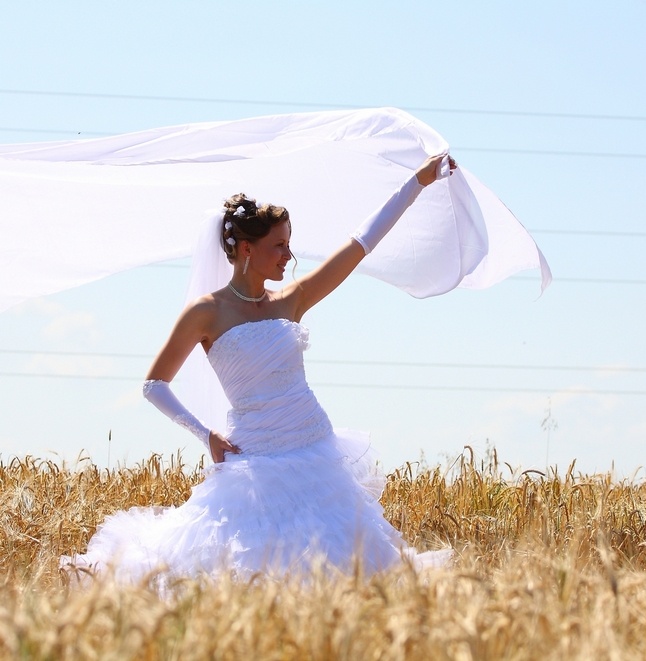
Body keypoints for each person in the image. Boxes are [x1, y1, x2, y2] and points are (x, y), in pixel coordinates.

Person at [62, 154, 456, 582]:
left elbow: (360, 244)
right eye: (279, 245)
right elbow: (154, 384)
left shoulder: (292, 300)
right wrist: (205, 434)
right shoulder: (206, 312)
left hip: (316, 453)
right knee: (244, 568)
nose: (289, 255)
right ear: (246, 249)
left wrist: (417, 182)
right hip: (255, 459)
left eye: (289, 243)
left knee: (347, 570)